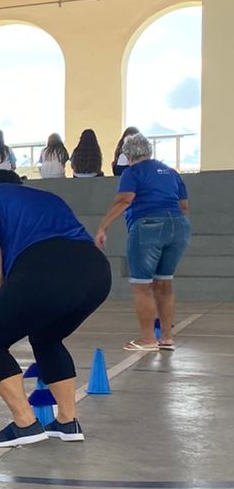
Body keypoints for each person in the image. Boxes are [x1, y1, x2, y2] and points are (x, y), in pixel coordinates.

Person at [0, 169, 112, 446]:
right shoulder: (47, 196)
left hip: (45, 268)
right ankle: (67, 421)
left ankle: (25, 423)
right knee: (47, 338)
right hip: (97, 272)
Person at [94, 133, 191, 352]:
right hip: (179, 226)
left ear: (127, 155)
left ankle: (148, 340)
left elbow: (124, 200)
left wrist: (103, 227)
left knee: (142, 285)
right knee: (164, 283)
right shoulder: (171, 172)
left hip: (147, 226)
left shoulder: (133, 172)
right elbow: (183, 206)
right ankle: (167, 338)